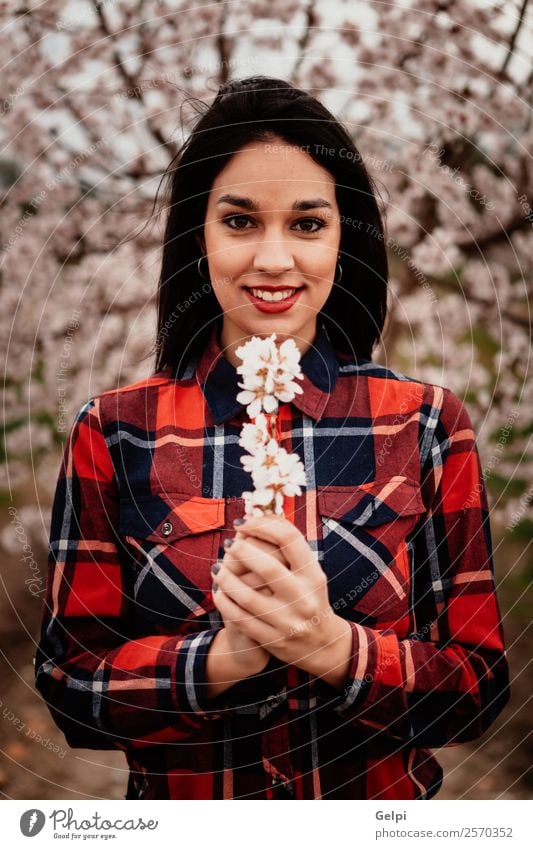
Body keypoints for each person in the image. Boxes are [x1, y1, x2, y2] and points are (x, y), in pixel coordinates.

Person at [34, 76, 509, 800]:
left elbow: (475, 688)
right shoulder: (115, 430)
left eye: (307, 224)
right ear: (199, 233)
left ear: (344, 238)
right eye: (240, 221)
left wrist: (329, 646)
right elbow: (71, 687)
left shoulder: (423, 423)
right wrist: (219, 660)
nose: (275, 259)